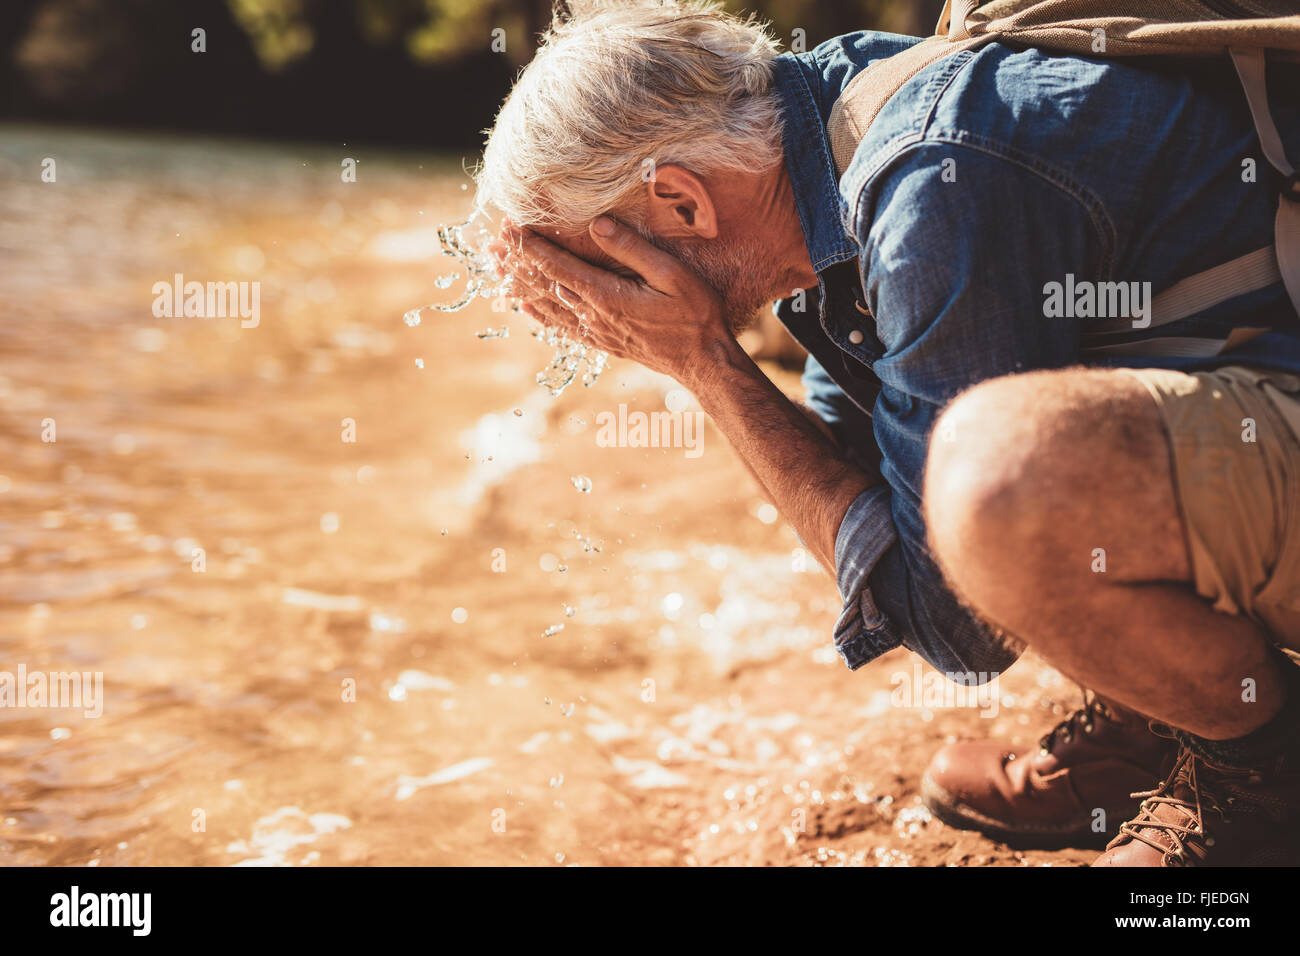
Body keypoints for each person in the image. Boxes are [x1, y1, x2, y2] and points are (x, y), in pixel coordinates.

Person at [478, 0, 1300, 865]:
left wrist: (705, 364)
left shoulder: (930, 175)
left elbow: (960, 624)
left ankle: (1261, 777)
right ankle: (1160, 714)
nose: (603, 313)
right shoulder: (834, 133)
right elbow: (859, 482)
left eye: (599, 272)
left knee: (1000, 478)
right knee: (966, 446)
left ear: (681, 203)